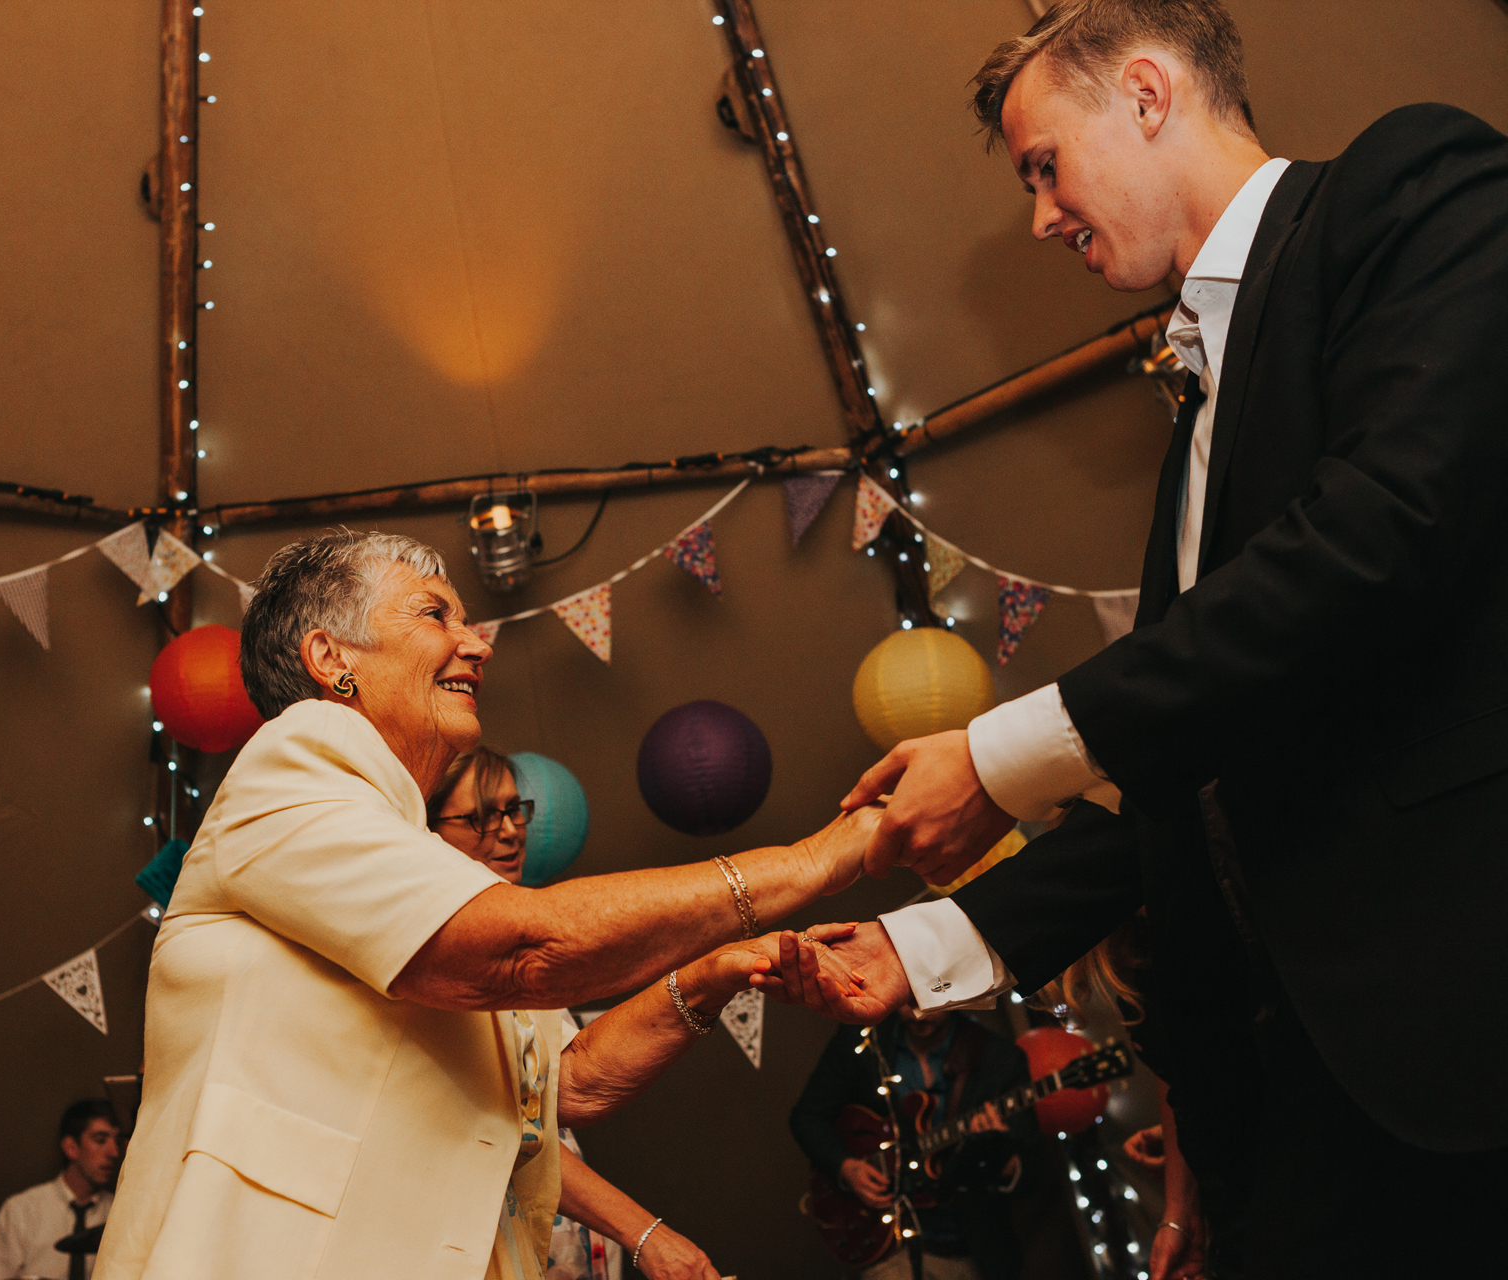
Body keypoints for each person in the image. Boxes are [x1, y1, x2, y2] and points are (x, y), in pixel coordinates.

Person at [779, 2, 1508, 1273]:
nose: (1040, 216)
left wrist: (1000, 753)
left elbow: (1385, 528)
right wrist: (923, 943)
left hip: (1458, 1041)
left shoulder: (1408, 187)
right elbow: (1188, 772)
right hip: (1282, 1119)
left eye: (1043, 165)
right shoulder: (1189, 449)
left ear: (1151, 94)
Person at [95, 531, 880, 1280]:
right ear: (332, 658)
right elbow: (525, 954)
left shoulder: (426, 868)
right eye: (436, 613)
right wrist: (810, 863)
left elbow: (568, 1085)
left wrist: (715, 973)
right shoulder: (291, 770)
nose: (478, 644)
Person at [428, 747, 720, 1280]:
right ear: (426, 832)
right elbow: (513, 1127)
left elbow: (568, 1083)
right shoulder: (437, 969)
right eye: (480, 817)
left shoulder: (517, 945)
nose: (512, 830)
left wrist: (709, 977)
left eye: (515, 810)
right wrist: (644, 1233)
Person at [790, 1009, 1035, 1280]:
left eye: (928, 1003)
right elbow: (808, 1117)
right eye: (909, 1001)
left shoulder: (999, 1058)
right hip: (890, 1246)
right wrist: (847, 1167)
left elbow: (1032, 1171)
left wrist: (997, 1154)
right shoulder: (863, 1039)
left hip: (973, 1250)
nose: (918, 1015)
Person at [0, 1100, 121, 1280]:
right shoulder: (22, 1210)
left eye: (117, 1141)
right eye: (100, 1140)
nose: (114, 1152)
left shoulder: (119, 1213)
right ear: (71, 1147)